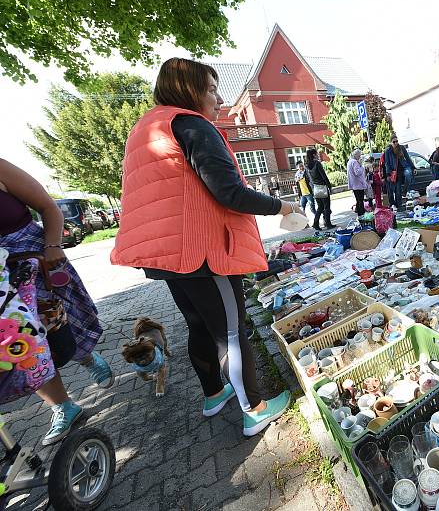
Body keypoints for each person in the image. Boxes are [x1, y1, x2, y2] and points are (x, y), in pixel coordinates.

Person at [112, 58, 303, 437]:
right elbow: (229, 192)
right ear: (190, 90)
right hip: (201, 252)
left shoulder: (148, 128)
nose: (219, 99)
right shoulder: (192, 126)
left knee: (199, 324)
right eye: (212, 89)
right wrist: (281, 205)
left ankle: (214, 393)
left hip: (167, 253)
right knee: (231, 330)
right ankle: (255, 408)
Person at [0, 158, 114, 446]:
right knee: (19, 345)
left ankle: (85, 356)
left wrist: (52, 247)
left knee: (58, 328)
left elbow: (49, 207)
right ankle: (64, 406)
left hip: (34, 262)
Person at [382, 136, 415, 209]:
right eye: (394, 142)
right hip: (393, 172)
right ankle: (395, 206)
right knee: (394, 191)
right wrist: (388, 174)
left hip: (401, 170)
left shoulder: (401, 148)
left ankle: (404, 193)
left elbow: (407, 157)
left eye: (397, 141)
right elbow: (387, 163)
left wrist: (413, 167)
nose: (396, 143)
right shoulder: (388, 150)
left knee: (408, 175)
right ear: (391, 142)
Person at [306, 147, 335, 230]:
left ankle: (316, 223)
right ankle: (328, 224)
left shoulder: (307, 165)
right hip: (322, 186)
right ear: (314, 154)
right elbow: (323, 175)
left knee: (320, 207)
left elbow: (309, 179)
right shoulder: (317, 163)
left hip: (315, 188)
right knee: (326, 206)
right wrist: (329, 186)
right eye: (316, 154)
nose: (317, 155)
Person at [347, 149, 368, 216]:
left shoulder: (349, 162)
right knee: (360, 201)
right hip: (358, 184)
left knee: (358, 200)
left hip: (354, 184)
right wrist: (362, 166)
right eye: (359, 156)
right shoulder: (355, 162)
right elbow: (357, 172)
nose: (359, 157)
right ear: (356, 155)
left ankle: (359, 214)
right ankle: (362, 214)